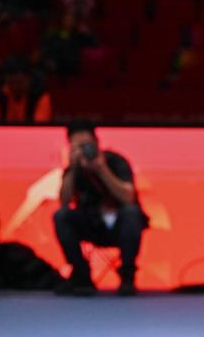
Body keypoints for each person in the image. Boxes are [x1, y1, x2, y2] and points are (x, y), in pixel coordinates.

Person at [53, 123, 147, 296]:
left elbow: (128, 197)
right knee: (61, 216)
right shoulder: (74, 169)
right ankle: (81, 275)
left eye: (86, 145)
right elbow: (64, 201)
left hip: (121, 227)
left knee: (132, 213)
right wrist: (72, 168)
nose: (84, 150)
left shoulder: (116, 161)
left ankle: (127, 275)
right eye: (77, 146)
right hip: (91, 225)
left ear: (96, 142)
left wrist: (102, 169)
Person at [0, 55, 51, 123]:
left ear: (29, 78)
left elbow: (40, 126)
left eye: (19, 82)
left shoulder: (40, 96)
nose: (15, 87)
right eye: (11, 83)